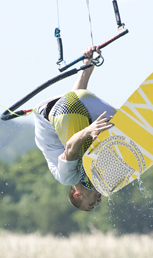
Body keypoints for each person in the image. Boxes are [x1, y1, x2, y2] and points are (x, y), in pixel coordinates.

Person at [33, 46, 116, 211]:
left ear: (78, 194)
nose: (98, 202)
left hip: (54, 114)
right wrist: (87, 65)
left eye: (91, 204)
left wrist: (89, 130)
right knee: (111, 126)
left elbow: (70, 145)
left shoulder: (68, 178)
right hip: (74, 106)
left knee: (86, 142)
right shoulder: (89, 169)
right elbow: (75, 99)